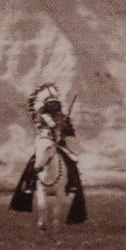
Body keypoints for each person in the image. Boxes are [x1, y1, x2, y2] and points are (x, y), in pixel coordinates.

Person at [24, 83, 82, 230]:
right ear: (46, 105)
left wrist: (64, 129)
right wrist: (50, 131)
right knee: (34, 161)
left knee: (70, 161)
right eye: (50, 104)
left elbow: (71, 133)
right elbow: (39, 128)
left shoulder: (62, 117)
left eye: (55, 104)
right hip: (45, 142)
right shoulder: (42, 117)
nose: (53, 106)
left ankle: (72, 183)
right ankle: (30, 183)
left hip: (58, 145)